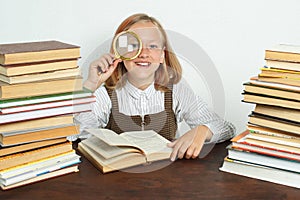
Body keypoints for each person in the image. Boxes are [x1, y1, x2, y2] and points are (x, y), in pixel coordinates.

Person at [74, 13, 236, 161]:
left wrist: (202, 130)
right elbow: (80, 133)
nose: (143, 53)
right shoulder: (106, 94)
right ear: (119, 53)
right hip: (118, 179)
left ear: (162, 55)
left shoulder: (176, 91)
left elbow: (227, 128)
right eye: (133, 46)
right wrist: (90, 85)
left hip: (166, 178)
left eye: (152, 46)